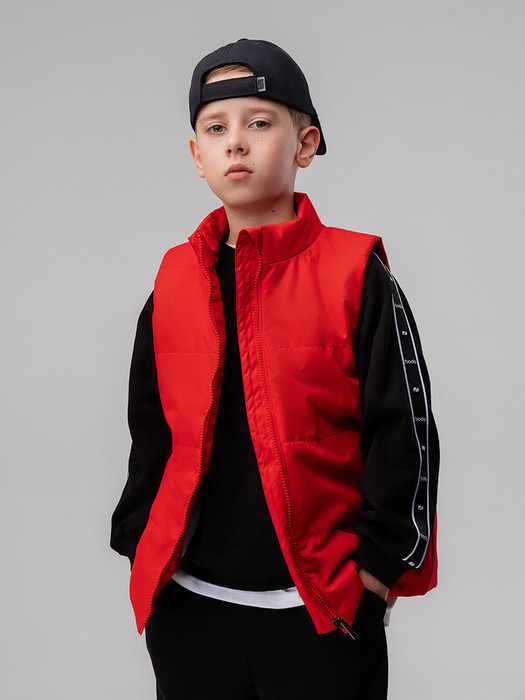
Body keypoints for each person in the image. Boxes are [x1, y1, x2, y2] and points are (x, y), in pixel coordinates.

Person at [110, 38, 439, 700]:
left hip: (319, 613)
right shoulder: (174, 280)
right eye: (216, 128)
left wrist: (376, 574)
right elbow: (151, 425)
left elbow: (405, 435)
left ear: (305, 144)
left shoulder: (356, 276)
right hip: (189, 609)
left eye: (259, 122)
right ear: (196, 156)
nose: (236, 142)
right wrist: (141, 541)